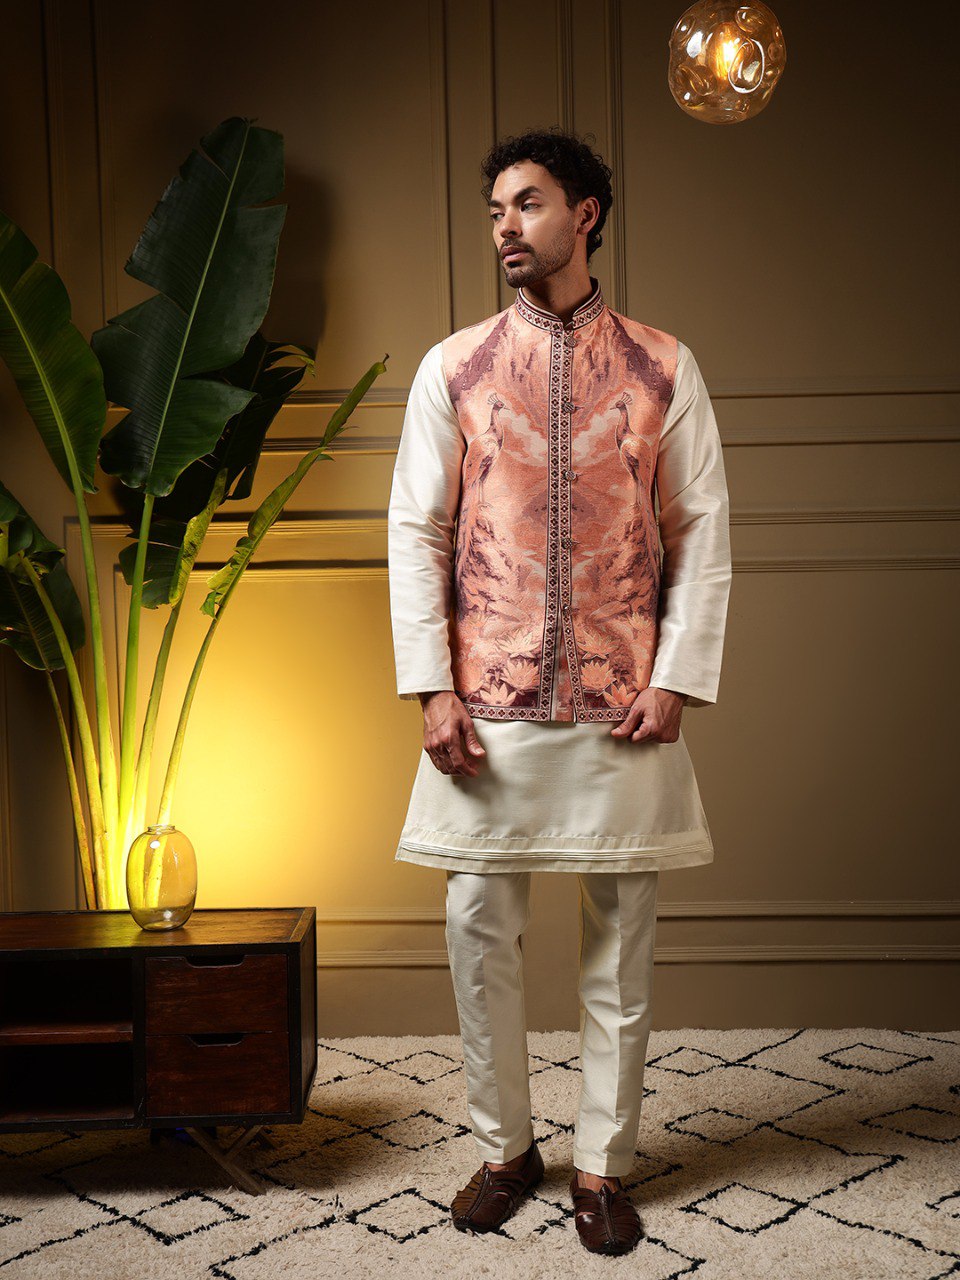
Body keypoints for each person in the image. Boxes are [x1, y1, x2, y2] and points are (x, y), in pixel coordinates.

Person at [387, 127, 732, 1256]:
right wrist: (432, 687)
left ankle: (602, 1165)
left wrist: (677, 678)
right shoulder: (453, 368)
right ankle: (506, 1150)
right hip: (485, 703)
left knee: (619, 944)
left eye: (526, 203)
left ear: (584, 215)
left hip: (623, 702)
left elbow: (700, 531)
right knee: (476, 930)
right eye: (495, 209)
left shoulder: (665, 367)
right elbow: (417, 531)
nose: (505, 225)